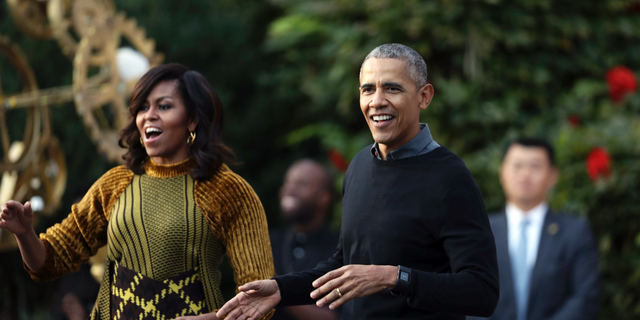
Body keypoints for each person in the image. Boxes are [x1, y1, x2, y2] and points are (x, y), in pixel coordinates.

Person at [216, 43, 499, 320]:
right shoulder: (360, 165)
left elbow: (482, 291)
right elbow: (346, 263)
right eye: (368, 89)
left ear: (424, 97)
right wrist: (281, 290)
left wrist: (393, 277)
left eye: (392, 88)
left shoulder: (450, 178)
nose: (377, 101)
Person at [0, 63, 275, 320]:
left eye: (164, 106)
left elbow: (259, 298)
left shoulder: (227, 190)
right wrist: (25, 234)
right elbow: (50, 261)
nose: (149, 115)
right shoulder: (115, 184)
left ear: (192, 120)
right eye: (142, 107)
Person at [468, 138, 600, 320]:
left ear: (553, 175)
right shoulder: (479, 231)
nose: (525, 175)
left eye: (535, 166)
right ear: (502, 173)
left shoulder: (575, 232)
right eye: (517, 166)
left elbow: (585, 297)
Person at [270, 159, 340, 320]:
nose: (289, 190)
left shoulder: (338, 251)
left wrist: (277, 289)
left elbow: (333, 317)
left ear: (324, 198)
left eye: (301, 185)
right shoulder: (268, 243)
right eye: (287, 182)